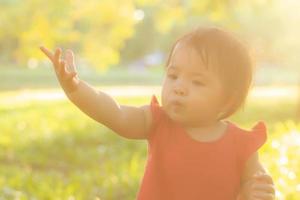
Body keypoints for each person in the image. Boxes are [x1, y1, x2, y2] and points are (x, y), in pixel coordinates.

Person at [40, 26, 275, 200]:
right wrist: (76, 88)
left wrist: (252, 193)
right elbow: (115, 112)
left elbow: (260, 188)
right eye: (173, 76)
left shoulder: (242, 146)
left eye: (197, 82)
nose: (179, 87)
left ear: (229, 98)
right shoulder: (156, 121)